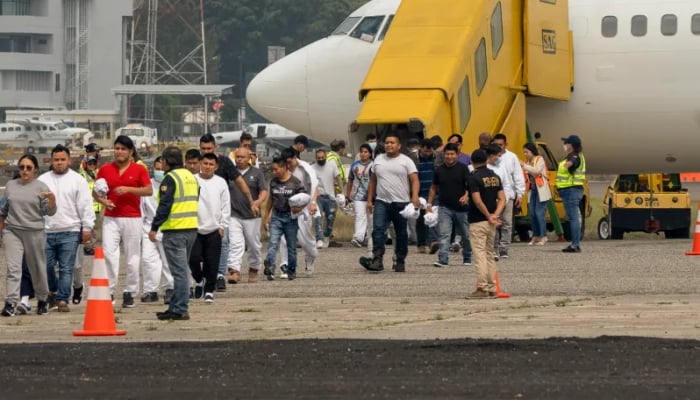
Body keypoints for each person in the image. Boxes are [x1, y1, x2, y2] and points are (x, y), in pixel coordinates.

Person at [94, 135, 153, 308]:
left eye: (123, 149)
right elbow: (96, 192)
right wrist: (104, 201)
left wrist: (128, 189)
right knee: (110, 254)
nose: (119, 152)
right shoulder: (105, 169)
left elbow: (148, 190)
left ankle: (130, 291)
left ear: (130, 151)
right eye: (117, 148)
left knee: (132, 255)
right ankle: (110, 290)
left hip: (132, 217)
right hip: (111, 217)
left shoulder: (139, 170)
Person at [39, 145, 95, 312]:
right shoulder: (42, 181)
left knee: (66, 267)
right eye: (56, 160)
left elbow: (86, 206)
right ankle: (53, 292)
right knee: (47, 267)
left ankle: (63, 299)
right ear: (51, 160)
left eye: (63, 159)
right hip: (47, 231)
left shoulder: (78, 180)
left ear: (69, 160)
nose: (59, 163)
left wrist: (87, 227)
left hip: (70, 230)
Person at [1, 154, 56, 316]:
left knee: (37, 267)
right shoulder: (11, 185)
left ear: (35, 170)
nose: (24, 171)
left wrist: (52, 200)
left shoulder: (41, 187)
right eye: (22, 167)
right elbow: (4, 209)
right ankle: (10, 303)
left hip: (34, 231)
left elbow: (50, 211)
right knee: (13, 268)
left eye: (28, 168)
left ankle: (42, 299)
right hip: (12, 230)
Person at [199, 134, 254, 291]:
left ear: (215, 148)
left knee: (223, 243)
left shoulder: (224, 162)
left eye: (209, 148)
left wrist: (250, 200)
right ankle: (204, 276)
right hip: (199, 213)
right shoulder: (196, 162)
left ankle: (219, 275)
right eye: (203, 149)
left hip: (220, 212)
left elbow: (239, 181)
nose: (206, 151)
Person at [150, 146, 199, 320]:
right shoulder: (190, 177)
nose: (161, 164)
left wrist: (154, 227)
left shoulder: (170, 178)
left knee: (179, 272)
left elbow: (165, 206)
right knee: (182, 270)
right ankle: (176, 306)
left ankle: (179, 308)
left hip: (175, 229)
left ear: (167, 161)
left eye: (162, 160)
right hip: (191, 228)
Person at [360, 132, 420, 273]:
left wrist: (415, 196)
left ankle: (400, 260)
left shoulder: (406, 161)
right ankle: (377, 260)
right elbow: (373, 181)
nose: (389, 145)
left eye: (392, 143)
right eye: (387, 142)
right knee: (379, 230)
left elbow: (415, 180)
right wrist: (369, 200)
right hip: (382, 202)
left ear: (399, 146)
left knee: (401, 234)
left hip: (401, 203)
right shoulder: (378, 160)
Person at [189, 153, 230, 303]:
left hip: (214, 229)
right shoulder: (192, 180)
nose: (207, 167)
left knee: (212, 262)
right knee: (193, 259)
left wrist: (222, 225)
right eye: (205, 163)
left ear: (216, 167)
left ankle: (209, 290)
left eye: (211, 164)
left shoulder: (221, 182)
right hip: (195, 228)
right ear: (200, 163)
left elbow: (226, 205)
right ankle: (199, 280)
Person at [467, 149, 505, 299]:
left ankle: (482, 288)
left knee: (479, 255)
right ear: (486, 159)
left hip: (478, 220)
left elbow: (477, 200)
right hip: (492, 223)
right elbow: (502, 198)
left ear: (472, 161)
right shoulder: (495, 177)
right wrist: (495, 214)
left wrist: (487, 215)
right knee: (489, 254)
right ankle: (492, 287)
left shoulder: (474, 177)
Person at [427, 142, 472, 267]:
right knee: (444, 234)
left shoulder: (463, 168)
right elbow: (433, 188)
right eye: (447, 154)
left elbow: (470, 186)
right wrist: (429, 205)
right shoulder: (439, 170)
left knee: (466, 234)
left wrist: (466, 195)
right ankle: (443, 259)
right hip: (444, 207)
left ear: (457, 155)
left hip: (462, 208)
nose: (449, 156)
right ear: (444, 155)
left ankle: (467, 257)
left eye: (452, 154)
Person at [227, 147, 267, 284]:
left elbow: (263, 191)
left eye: (242, 157)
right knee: (235, 244)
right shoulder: (230, 173)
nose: (239, 159)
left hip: (252, 216)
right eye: (237, 157)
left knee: (254, 245)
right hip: (234, 214)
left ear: (249, 157)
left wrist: (258, 202)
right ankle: (234, 270)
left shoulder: (257, 173)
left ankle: (254, 268)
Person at [278, 147, 319, 277]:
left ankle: (311, 256)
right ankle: (285, 265)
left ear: (296, 158)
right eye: (286, 163)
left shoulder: (306, 169)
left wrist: (312, 203)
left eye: (290, 162)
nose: (288, 165)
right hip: (287, 209)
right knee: (284, 237)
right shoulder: (282, 169)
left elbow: (315, 187)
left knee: (304, 240)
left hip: (304, 207)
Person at [263, 156, 305, 281]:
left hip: (290, 218)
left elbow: (304, 198)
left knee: (291, 246)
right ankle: (269, 266)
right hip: (276, 216)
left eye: (276, 169)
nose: (274, 172)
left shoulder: (296, 182)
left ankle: (291, 269)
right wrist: (266, 216)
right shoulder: (274, 182)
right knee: (273, 243)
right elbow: (270, 199)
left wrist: (300, 208)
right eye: (272, 170)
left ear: (284, 167)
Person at [140, 157, 174, 304]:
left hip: (167, 227)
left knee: (168, 262)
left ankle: (170, 289)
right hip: (148, 228)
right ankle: (150, 290)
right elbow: (142, 209)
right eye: (157, 169)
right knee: (148, 260)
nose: (159, 172)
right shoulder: (147, 186)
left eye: (162, 169)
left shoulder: (172, 184)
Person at [491, 133, 526, 259]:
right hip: (492, 196)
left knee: (506, 223)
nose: (498, 147)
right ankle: (494, 248)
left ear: (506, 144)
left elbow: (517, 176)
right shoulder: (489, 157)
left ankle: (504, 248)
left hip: (508, 194)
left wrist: (520, 193)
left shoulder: (512, 157)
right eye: (496, 145)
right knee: (493, 222)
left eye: (500, 145)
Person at [73, 154, 101, 304]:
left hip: (95, 206)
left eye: (94, 163)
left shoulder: (97, 174)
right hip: (84, 208)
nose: (92, 165)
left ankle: (89, 246)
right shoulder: (81, 175)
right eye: (90, 163)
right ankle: (88, 247)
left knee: (94, 230)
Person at [556, 134, 586, 253]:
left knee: (573, 218)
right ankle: (575, 244)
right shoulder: (577, 156)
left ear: (571, 145)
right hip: (572, 190)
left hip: (571, 190)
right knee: (573, 218)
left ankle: (575, 244)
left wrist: (568, 164)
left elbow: (572, 163)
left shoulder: (574, 156)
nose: (564, 145)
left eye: (566, 143)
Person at [520, 143, 551, 245]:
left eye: (526, 152)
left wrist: (524, 166)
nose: (525, 154)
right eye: (524, 152)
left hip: (541, 189)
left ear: (532, 151)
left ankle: (543, 236)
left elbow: (536, 171)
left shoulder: (539, 159)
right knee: (532, 214)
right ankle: (536, 235)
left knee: (539, 213)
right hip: (532, 189)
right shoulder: (527, 162)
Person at [311, 149, 342, 248]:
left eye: (322, 157)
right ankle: (319, 238)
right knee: (318, 217)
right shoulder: (312, 168)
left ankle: (326, 236)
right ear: (316, 158)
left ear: (325, 157)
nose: (320, 159)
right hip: (318, 197)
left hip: (330, 197)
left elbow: (338, 177)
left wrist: (342, 191)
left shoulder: (332, 165)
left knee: (330, 219)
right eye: (318, 158)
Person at [346, 144, 373, 247]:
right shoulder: (354, 165)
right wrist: (348, 194)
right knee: (359, 216)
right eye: (361, 152)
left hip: (372, 196)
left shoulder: (373, 165)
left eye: (365, 152)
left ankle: (368, 238)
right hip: (358, 196)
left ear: (370, 154)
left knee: (370, 218)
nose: (363, 154)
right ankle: (358, 237)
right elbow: (350, 180)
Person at [415, 139, 439, 254]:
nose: (427, 154)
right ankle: (421, 244)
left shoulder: (436, 159)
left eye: (429, 151)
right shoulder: (415, 160)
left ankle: (433, 241)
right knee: (420, 220)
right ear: (421, 148)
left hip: (433, 193)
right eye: (425, 151)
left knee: (431, 217)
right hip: (420, 194)